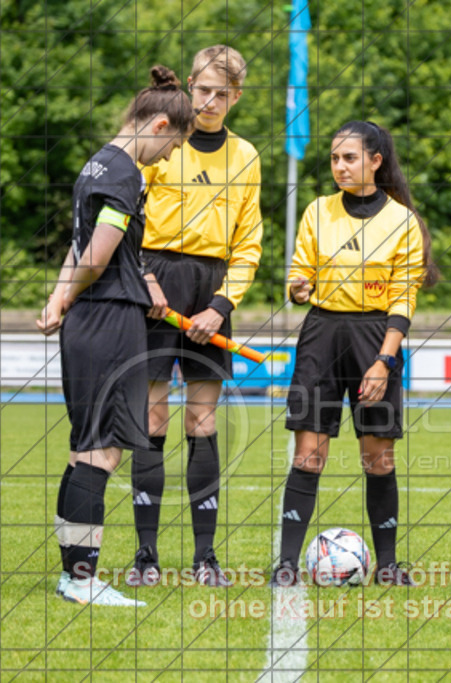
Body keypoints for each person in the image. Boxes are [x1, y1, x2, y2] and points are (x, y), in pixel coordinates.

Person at [37, 65, 193, 606]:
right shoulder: (126, 173)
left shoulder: (94, 163)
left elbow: (77, 246)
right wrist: (75, 293)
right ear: (156, 125)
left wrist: (60, 296)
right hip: (107, 320)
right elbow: (98, 254)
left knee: (87, 449)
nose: (169, 156)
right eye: (172, 144)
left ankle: (72, 575)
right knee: (102, 452)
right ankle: (82, 580)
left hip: (88, 317)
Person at [270, 120, 437, 587]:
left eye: (349, 158)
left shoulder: (402, 221)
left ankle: (387, 565)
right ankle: (285, 563)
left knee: (377, 457)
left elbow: (404, 300)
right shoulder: (317, 211)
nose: (339, 167)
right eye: (334, 159)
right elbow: (299, 278)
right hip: (322, 334)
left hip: (375, 339)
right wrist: (300, 289)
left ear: (375, 161)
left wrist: (384, 361)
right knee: (308, 454)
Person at [127, 45, 263, 588]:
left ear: (236, 98)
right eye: (203, 90)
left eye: (222, 94)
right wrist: (144, 275)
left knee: (200, 424)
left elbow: (249, 241)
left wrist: (221, 305)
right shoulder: (161, 140)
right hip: (155, 281)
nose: (210, 101)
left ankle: (205, 558)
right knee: (153, 421)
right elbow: (127, 217)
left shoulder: (246, 156)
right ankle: (146, 557)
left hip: (211, 289)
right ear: (189, 85)